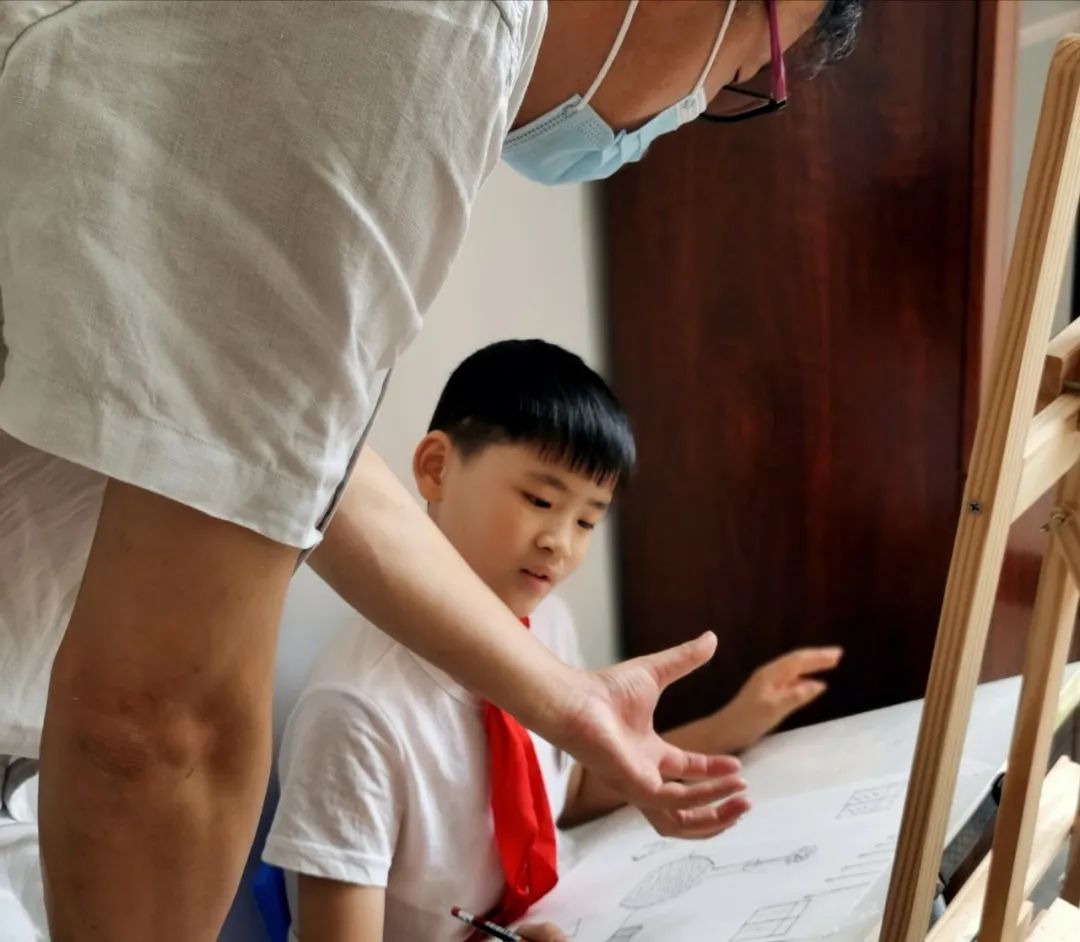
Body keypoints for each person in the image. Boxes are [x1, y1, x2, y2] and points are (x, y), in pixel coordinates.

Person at [0, 1, 863, 939]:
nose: (690, 112)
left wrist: (566, 698)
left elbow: (289, 451)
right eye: (741, 78)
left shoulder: (547, 632)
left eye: (587, 516)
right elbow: (158, 722)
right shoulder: (424, 32)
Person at [263, 339, 843, 942]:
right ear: (436, 468)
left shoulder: (548, 625)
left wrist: (735, 723)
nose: (559, 542)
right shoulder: (357, 712)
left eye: (588, 519)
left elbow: (567, 790)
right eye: (540, 500)